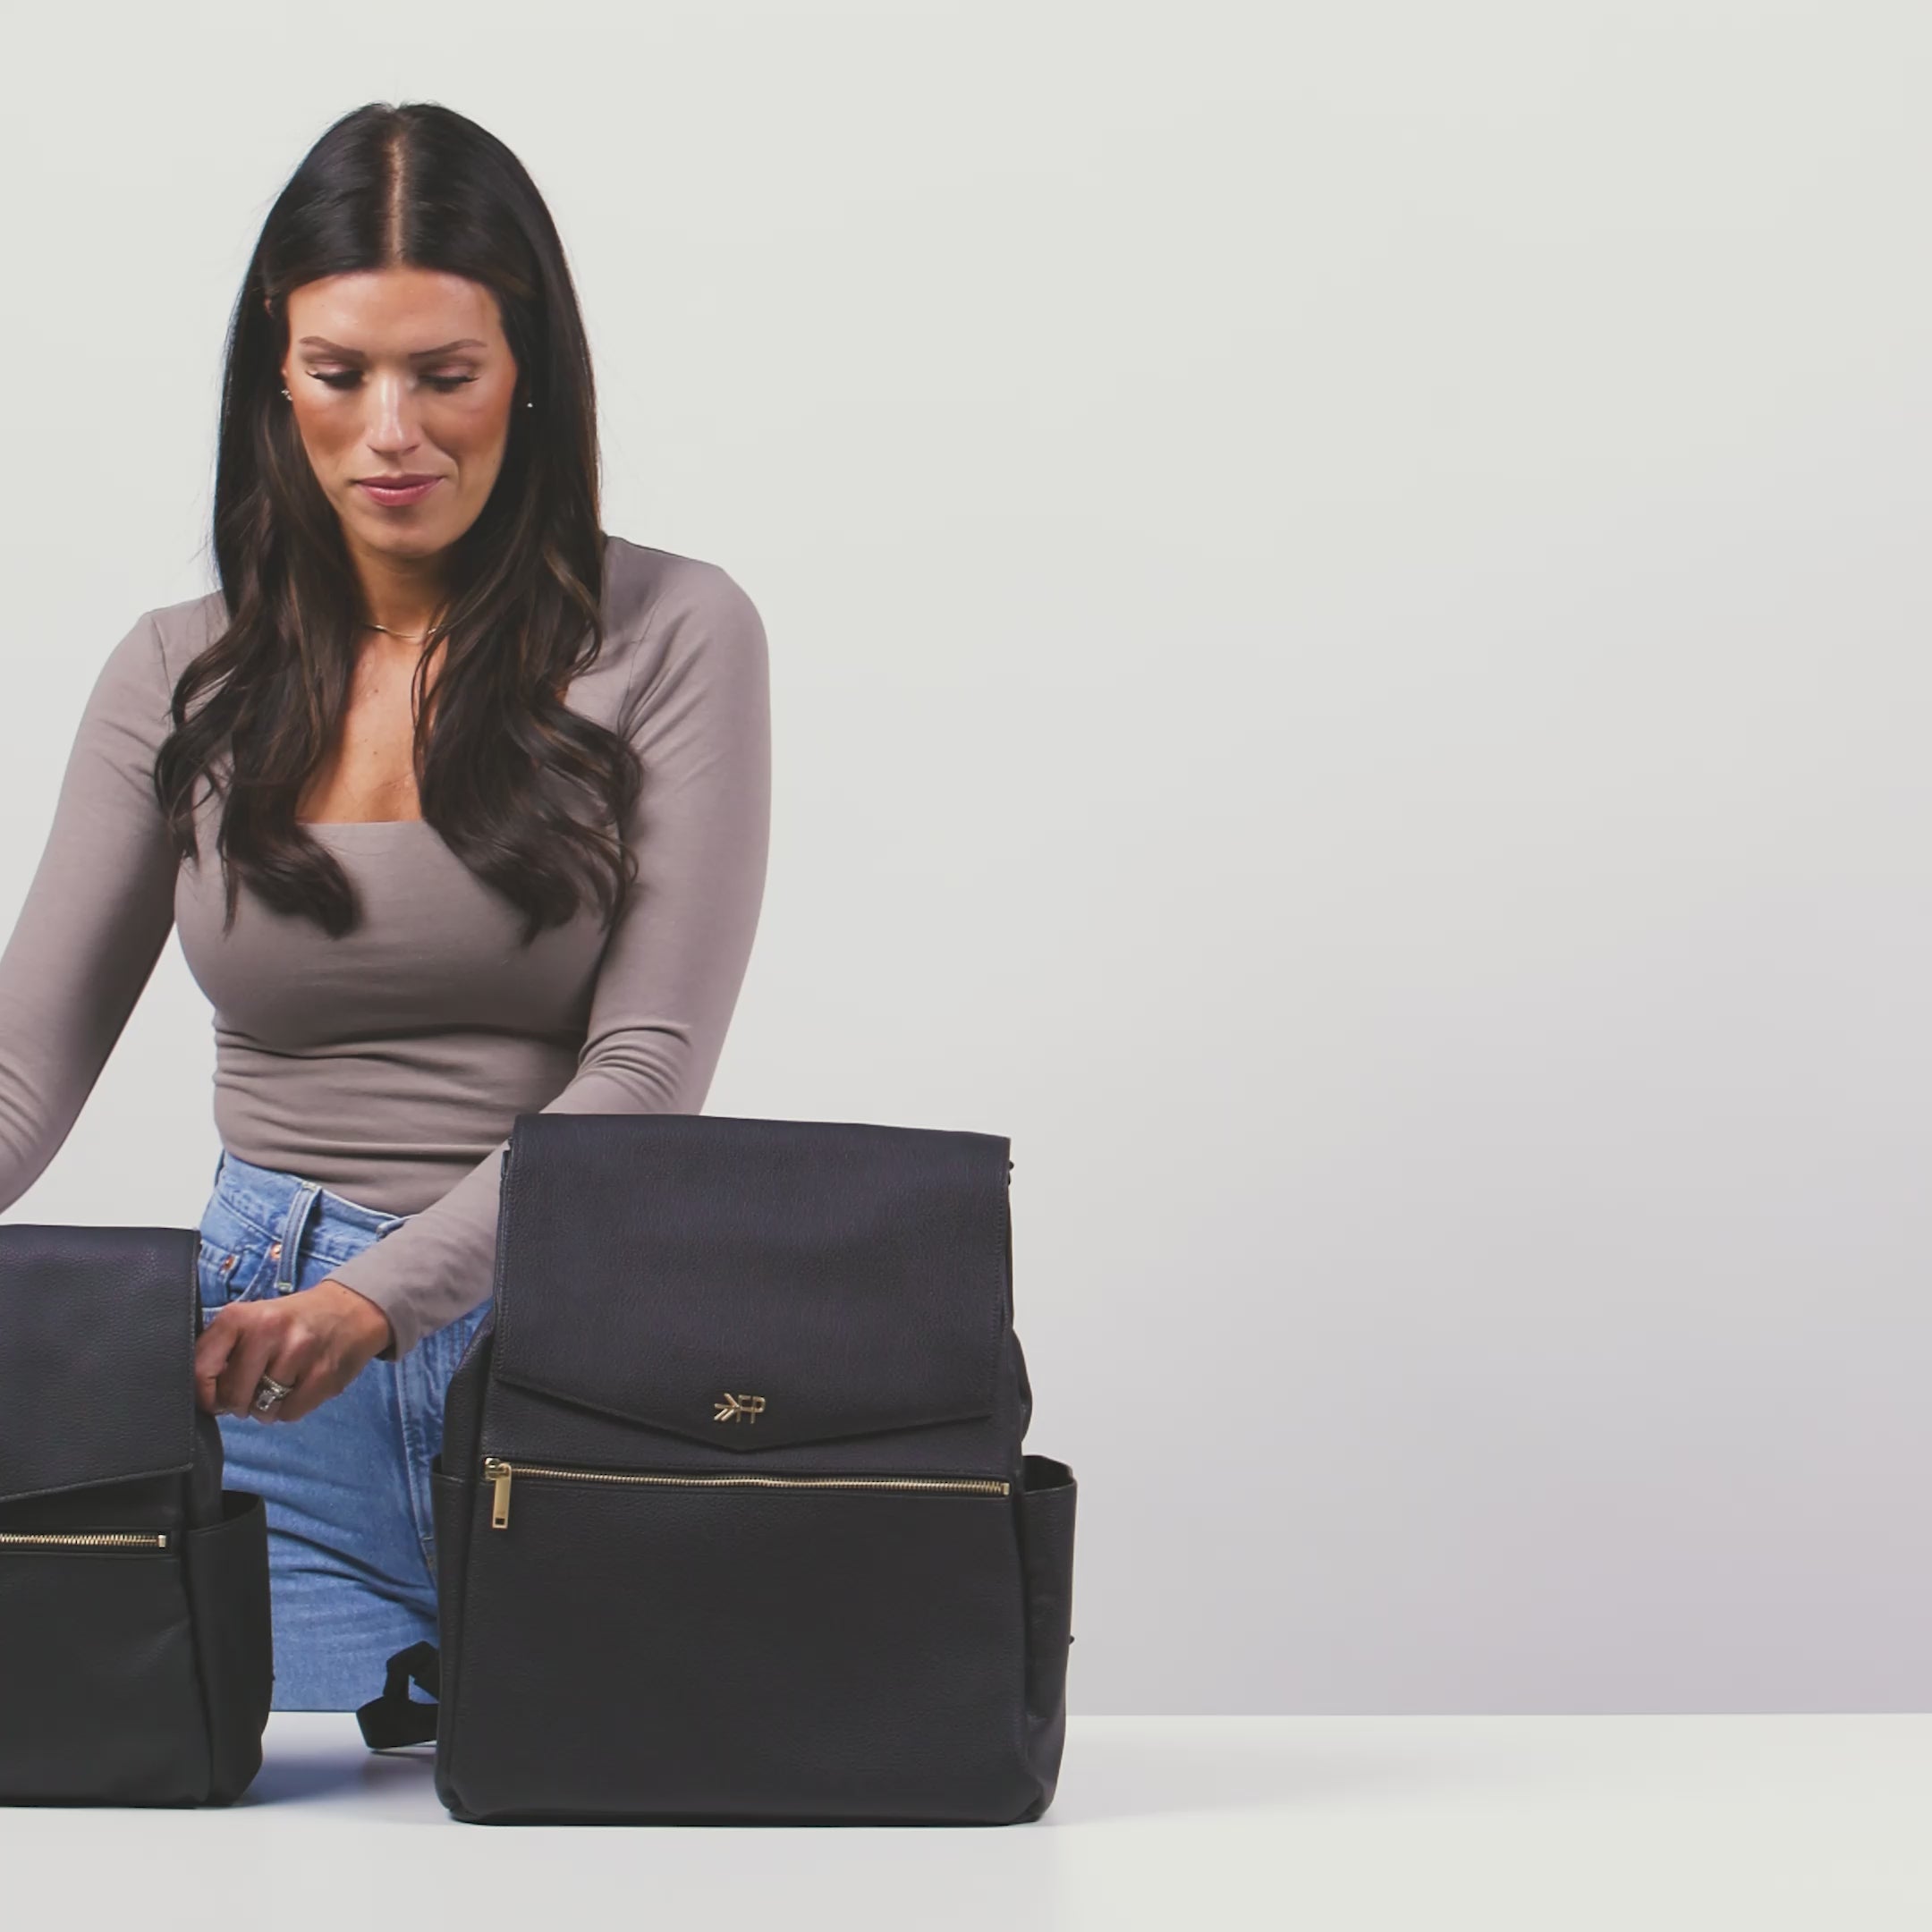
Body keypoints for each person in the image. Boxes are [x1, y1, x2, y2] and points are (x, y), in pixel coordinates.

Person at [0, 101, 772, 1710]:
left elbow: (647, 1074)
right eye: (340, 372)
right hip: (266, 1372)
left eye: (445, 373)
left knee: (602, 1806)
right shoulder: (180, 671)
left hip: (566, 1364)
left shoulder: (675, 631)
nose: (390, 433)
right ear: (275, 377)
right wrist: (326, 1310)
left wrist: (384, 1296)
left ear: (528, 375)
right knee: (279, 1819)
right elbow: (22, 1070)